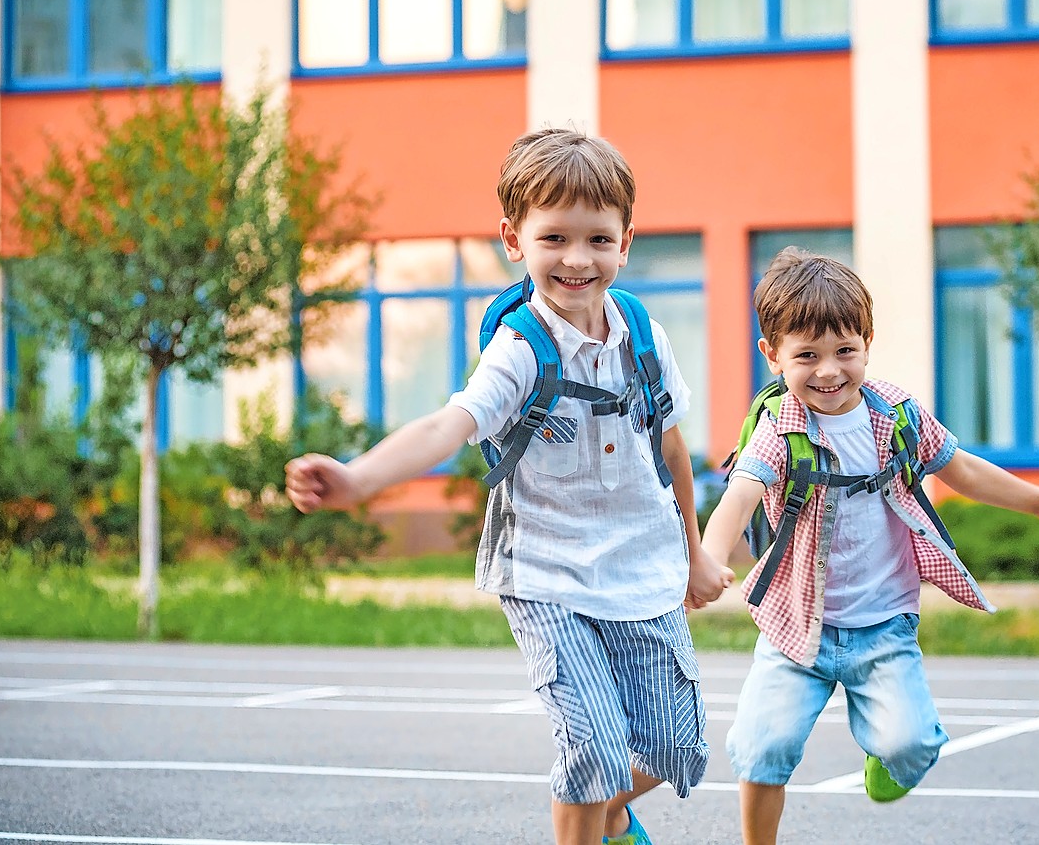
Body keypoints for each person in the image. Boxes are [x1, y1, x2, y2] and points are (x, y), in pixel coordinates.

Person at [285, 128, 734, 845]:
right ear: (513, 240)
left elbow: (671, 446)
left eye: (597, 238)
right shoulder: (521, 349)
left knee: (679, 749)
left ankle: (614, 813)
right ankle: (593, 813)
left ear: (626, 241)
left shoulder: (642, 334)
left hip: (641, 566)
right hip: (547, 573)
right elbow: (445, 426)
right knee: (592, 748)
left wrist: (694, 554)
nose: (577, 259)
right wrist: (357, 479)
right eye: (554, 237)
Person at [700, 248, 1039, 845]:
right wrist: (710, 561)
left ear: (868, 341)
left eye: (845, 351)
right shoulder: (779, 430)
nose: (829, 371)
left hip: (883, 627)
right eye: (806, 356)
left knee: (911, 746)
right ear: (773, 355)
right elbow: (739, 497)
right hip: (796, 629)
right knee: (763, 749)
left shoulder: (896, 416)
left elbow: (962, 470)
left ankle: (884, 753)